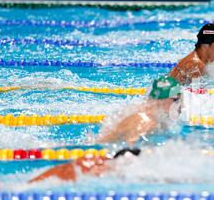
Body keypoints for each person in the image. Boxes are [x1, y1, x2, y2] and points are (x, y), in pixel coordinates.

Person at [28, 75, 182, 183]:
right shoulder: (147, 121)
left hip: (94, 150)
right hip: (94, 157)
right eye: (176, 99)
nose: (180, 105)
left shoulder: (148, 116)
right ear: (164, 99)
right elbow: (127, 153)